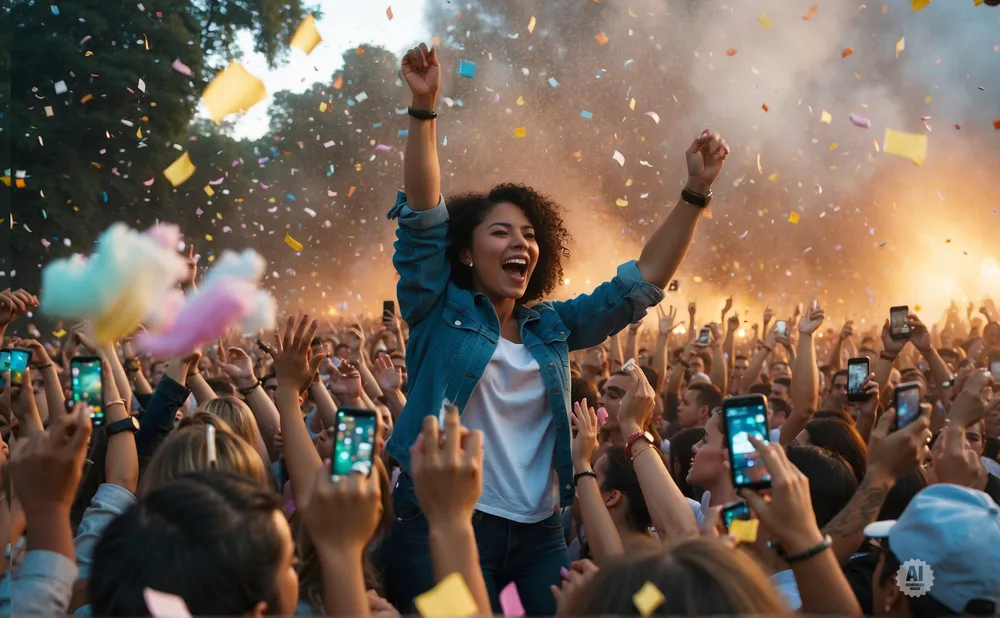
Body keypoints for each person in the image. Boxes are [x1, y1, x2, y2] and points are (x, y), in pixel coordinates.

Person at [380, 42, 730, 615]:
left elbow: (641, 283)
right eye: (500, 232)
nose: (520, 243)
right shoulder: (437, 308)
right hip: (440, 521)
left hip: (538, 535)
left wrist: (695, 194)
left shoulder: (551, 327)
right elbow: (422, 215)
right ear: (465, 253)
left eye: (529, 235)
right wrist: (424, 108)